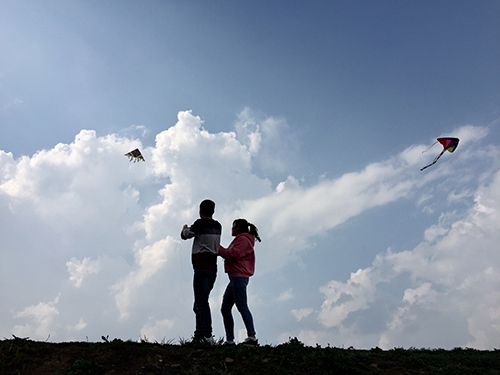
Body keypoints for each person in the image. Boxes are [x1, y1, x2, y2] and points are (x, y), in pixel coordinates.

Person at [181, 199, 221, 342]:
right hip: (212, 269)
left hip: (201, 268)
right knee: (199, 302)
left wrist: (184, 228)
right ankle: (199, 335)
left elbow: (185, 235)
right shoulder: (218, 226)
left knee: (201, 302)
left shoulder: (199, 224)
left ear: (200, 210)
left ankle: (206, 334)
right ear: (213, 211)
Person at [219, 218, 261, 346]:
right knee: (225, 308)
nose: (231, 229)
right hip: (234, 278)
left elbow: (233, 255)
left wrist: (217, 247)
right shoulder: (241, 239)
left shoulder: (243, 240)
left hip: (239, 277)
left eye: (233, 226)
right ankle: (230, 340)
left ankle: (252, 336)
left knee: (241, 305)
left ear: (238, 228)